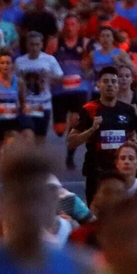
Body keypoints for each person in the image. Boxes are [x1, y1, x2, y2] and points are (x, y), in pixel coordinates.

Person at [69, 65, 137, 203]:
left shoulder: (127, 110)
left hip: (121, 172)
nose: (110, 85)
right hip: (97, 172)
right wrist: (92, 129)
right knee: (97, 216)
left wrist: (134, 147)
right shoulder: (89, 109)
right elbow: (71, 142)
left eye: (113, 81)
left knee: (120, 215)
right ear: (99, 86)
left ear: (118, 86)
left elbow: (132, 137)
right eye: (106, 81)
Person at [51, 15, 93, 170]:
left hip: (79, 89)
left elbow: (91, 63)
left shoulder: (85, 43)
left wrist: (87, 69)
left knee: (75, 122)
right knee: (60, 130)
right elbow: (48, 60)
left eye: (73, 24)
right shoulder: (56, 43)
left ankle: (70, 156)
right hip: (60, 90)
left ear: (78, 26)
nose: (70, 27)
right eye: (67, 24)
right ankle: (65, 135)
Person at [14, 28, 62, 141]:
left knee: (40, 139)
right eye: (31, 44)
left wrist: (49, 76)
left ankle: (34, 158)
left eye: (37, 44)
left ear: (41, 45)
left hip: (44, 105)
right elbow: (14, 82)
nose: (34, 47)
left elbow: (60, 78)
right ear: (27, 45)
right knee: (27, 135)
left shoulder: (49, 60)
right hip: (27, 105)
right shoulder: (20, 61)